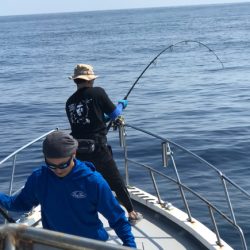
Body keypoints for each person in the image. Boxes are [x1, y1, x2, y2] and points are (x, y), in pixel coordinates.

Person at [0, 131, 136, 248]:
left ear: (74, 154)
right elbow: (18, 204)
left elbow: (117, 219)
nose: (58, 170)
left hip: (90, 244)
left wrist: (130, 246)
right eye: (51, 166)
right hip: (54, 243)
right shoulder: (39, 178)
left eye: (64, 165)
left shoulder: (93, 182)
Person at [66, 64, 142, 224]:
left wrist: (103, 119)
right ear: (91, 80)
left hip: (78, 150)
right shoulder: (98, 92)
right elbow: (115, 114)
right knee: (115, 181)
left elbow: (82, 123)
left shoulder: (69, 102)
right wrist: (122, 104)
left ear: (76, 81)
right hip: (98, 149)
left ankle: (82, 215)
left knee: (84, 182)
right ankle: (131, 212)